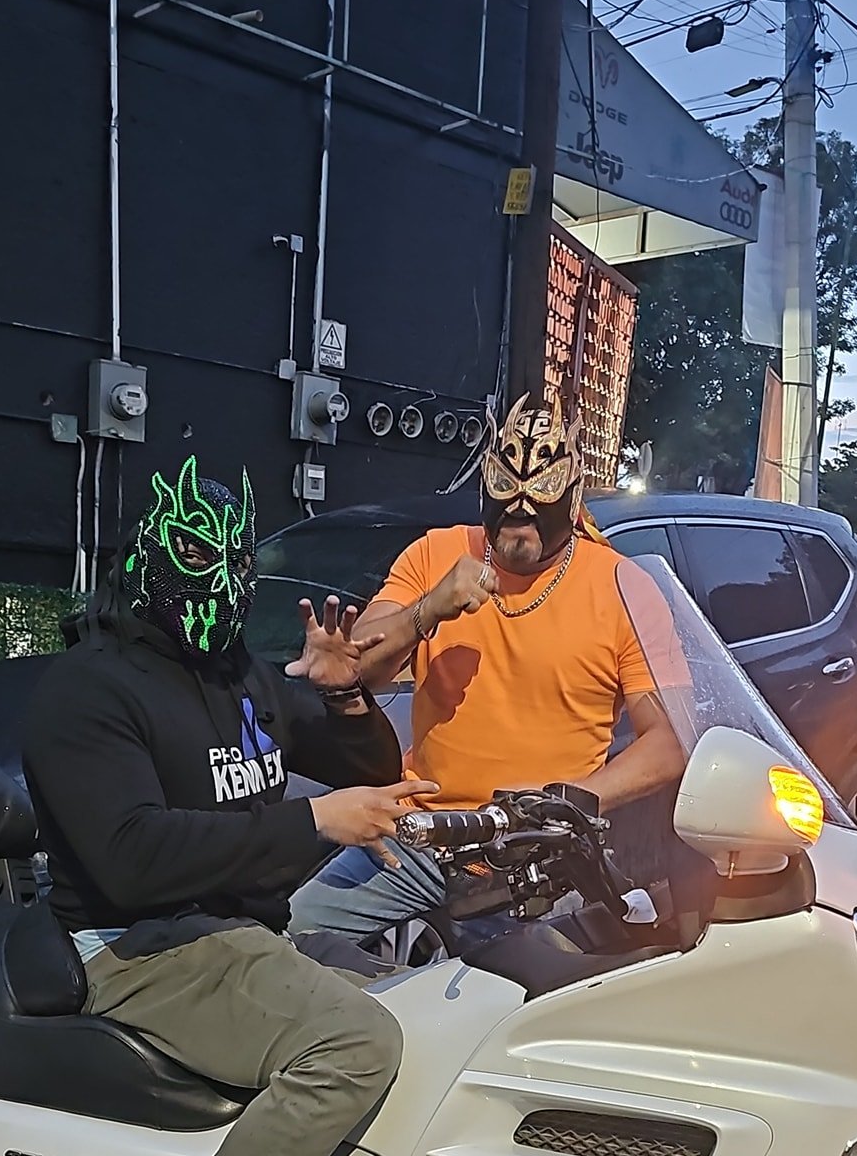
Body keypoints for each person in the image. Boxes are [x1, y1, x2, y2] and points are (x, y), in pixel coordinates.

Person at [23, 453, 435, 1156]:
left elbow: (367, 762)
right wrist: (313, 822)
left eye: (239, 558)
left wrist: (344, 694)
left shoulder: (237, 673)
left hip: (235, 932)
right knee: (355, 1044)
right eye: (201, 555)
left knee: (437, 1007)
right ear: (155, 558)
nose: (225, 578)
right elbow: (130, 860)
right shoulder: (90, 689)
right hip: (138, 946)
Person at [288, 393, 686, 945]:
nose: (519, 518)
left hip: (536, 852)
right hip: (420, 831)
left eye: (537, 504)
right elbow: (360, 666)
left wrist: (565, 801)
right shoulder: (437, 553)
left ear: (572, 501)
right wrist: (430, 608)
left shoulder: (623, 588)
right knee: (292, 935)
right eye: (507, 500)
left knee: (517, 989)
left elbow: (668, 742)